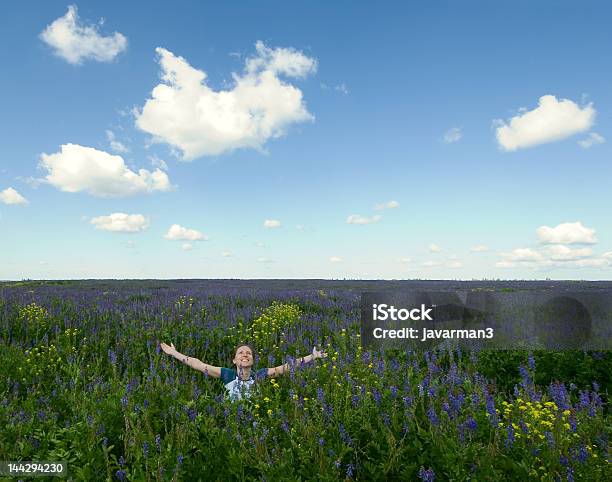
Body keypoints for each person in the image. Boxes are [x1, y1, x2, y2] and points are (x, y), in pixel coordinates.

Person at [159, 341, 327, 401]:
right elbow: (198, 364)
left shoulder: (259, 375)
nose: (245, 355)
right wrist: (174, 353)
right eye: (241, 352)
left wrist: (312, 357)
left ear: (253, 360)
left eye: (248, 353)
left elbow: (287, 367)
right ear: (234, 360)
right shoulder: (227, 374)